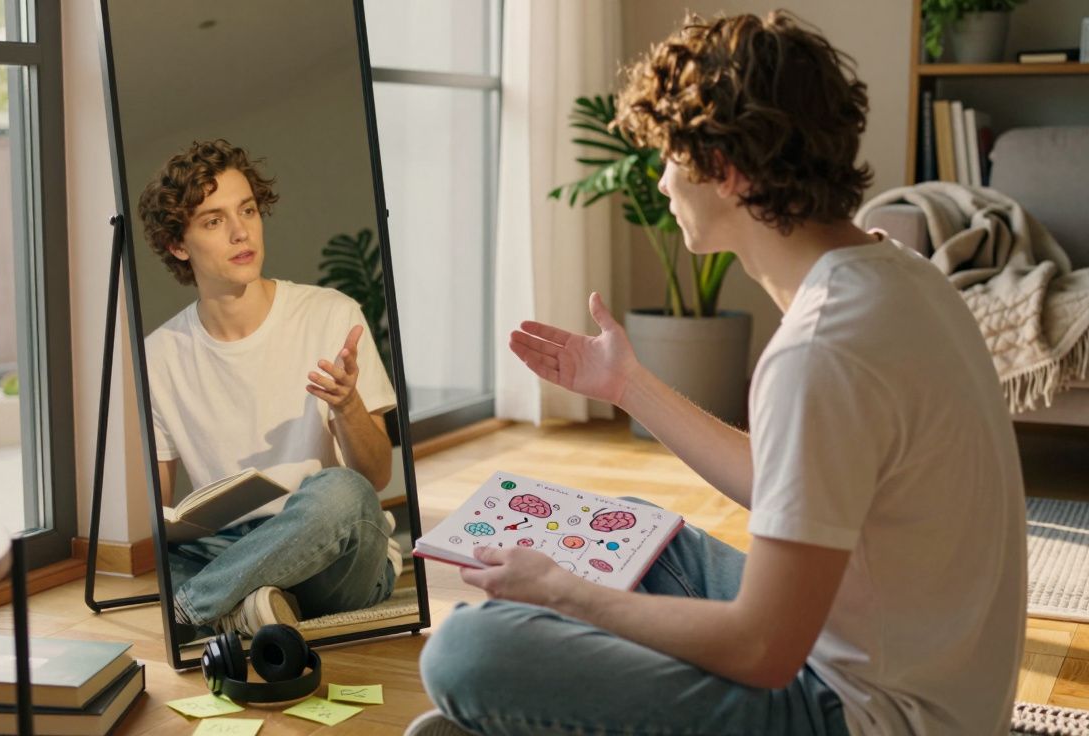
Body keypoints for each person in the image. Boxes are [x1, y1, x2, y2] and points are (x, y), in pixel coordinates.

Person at [409, 11, 1025, 736]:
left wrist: (564, 593)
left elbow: (763, 650)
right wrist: (627, 385)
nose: (664, 181)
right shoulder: (901, 275)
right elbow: (791, 480)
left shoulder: (822, 348)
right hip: (908, 666)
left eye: (673, 158)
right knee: (638, 540)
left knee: (464, 651)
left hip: (867, 714)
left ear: (726, 171)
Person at [137, 139, 401, 638]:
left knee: (342, 490)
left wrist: (347, 405)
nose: (241, 232)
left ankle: (195, 608)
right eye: (214, 221)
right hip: (229, 547)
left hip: (334, 554)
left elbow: (376, 477)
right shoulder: (158, 356)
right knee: (159, 553)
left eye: (248, 211)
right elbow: (154, 514)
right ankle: (253, 605)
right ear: (178, 245)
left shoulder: (331, 313)